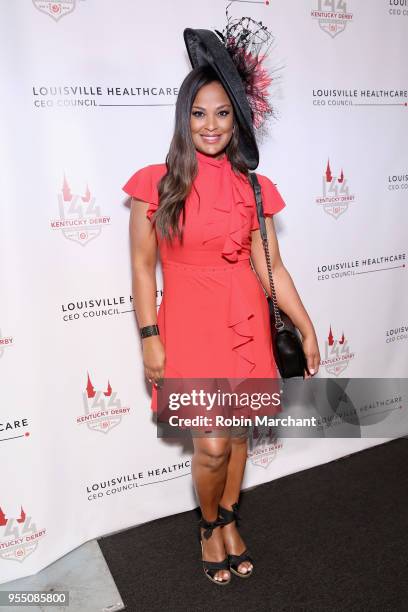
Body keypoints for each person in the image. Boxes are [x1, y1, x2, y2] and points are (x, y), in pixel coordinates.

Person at [123, 22, 320, 586]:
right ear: (184, 118)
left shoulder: (253, 188)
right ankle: (207, 525)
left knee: (236, 437)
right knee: (210, 444)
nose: (211, 125)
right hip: (187, 324)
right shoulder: (155, 183)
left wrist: (305, 328)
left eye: (223, 113)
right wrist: (148, 336)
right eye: (199, 113)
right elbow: (141, 267)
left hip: (245, 319)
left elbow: (271, 267)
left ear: (237, 119)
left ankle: (230, 518)